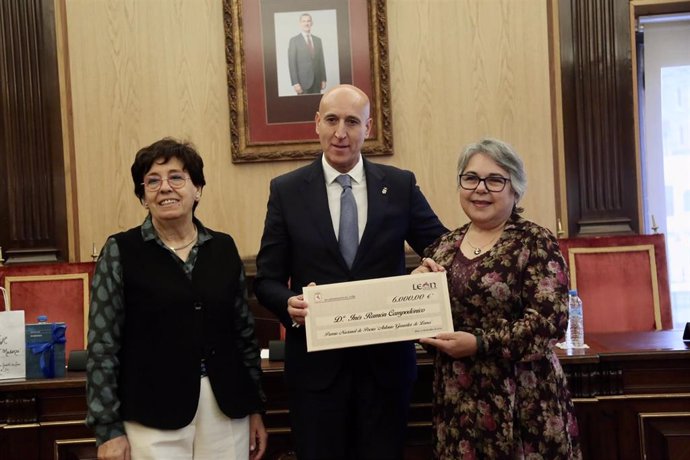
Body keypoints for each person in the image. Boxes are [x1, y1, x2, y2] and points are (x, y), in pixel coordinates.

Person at [254, 84, 447, 459]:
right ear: (316, 124)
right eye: (331, 120)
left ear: (368, 128)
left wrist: (428, 268)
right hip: (316, 374)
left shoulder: (400, 185)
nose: (341, 132)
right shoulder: (287, 191)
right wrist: (288, 304)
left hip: (385, 370)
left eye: (352, 122)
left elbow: (443, 249)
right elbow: (266, 280)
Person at [85, 138, 267, 460]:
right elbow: (102, 346)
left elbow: (244, 336)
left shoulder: (223, 248)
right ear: (143, 197)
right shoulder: (120, 251)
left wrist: (255, 408)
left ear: (197, 189)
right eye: (152, 181)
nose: (164, 188)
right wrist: (107, 429)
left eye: (176, 178)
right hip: (152, 412)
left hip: (226, 408)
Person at [412, 138, 582, 459]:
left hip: (524, 398)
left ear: (515, 189)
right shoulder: (442, 248)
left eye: (494, 180)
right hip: (458, 400)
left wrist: (479, 343)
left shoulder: (535, 241)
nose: (480, 189)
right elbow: (427, 324)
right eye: (471, 178)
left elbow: (549, 324)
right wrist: (414, 290)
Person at [288, 13, 327, 95]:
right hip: (302, 83)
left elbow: (321, 61)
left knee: (317, 106)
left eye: (308, 21)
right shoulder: (294, 41)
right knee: (303, 106)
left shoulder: (318, 40)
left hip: (317, 81)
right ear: (300, 23)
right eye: (304, 21)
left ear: (312, 23)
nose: (306, 23)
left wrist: (323, 79)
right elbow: (292, 63)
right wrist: (295, 83)